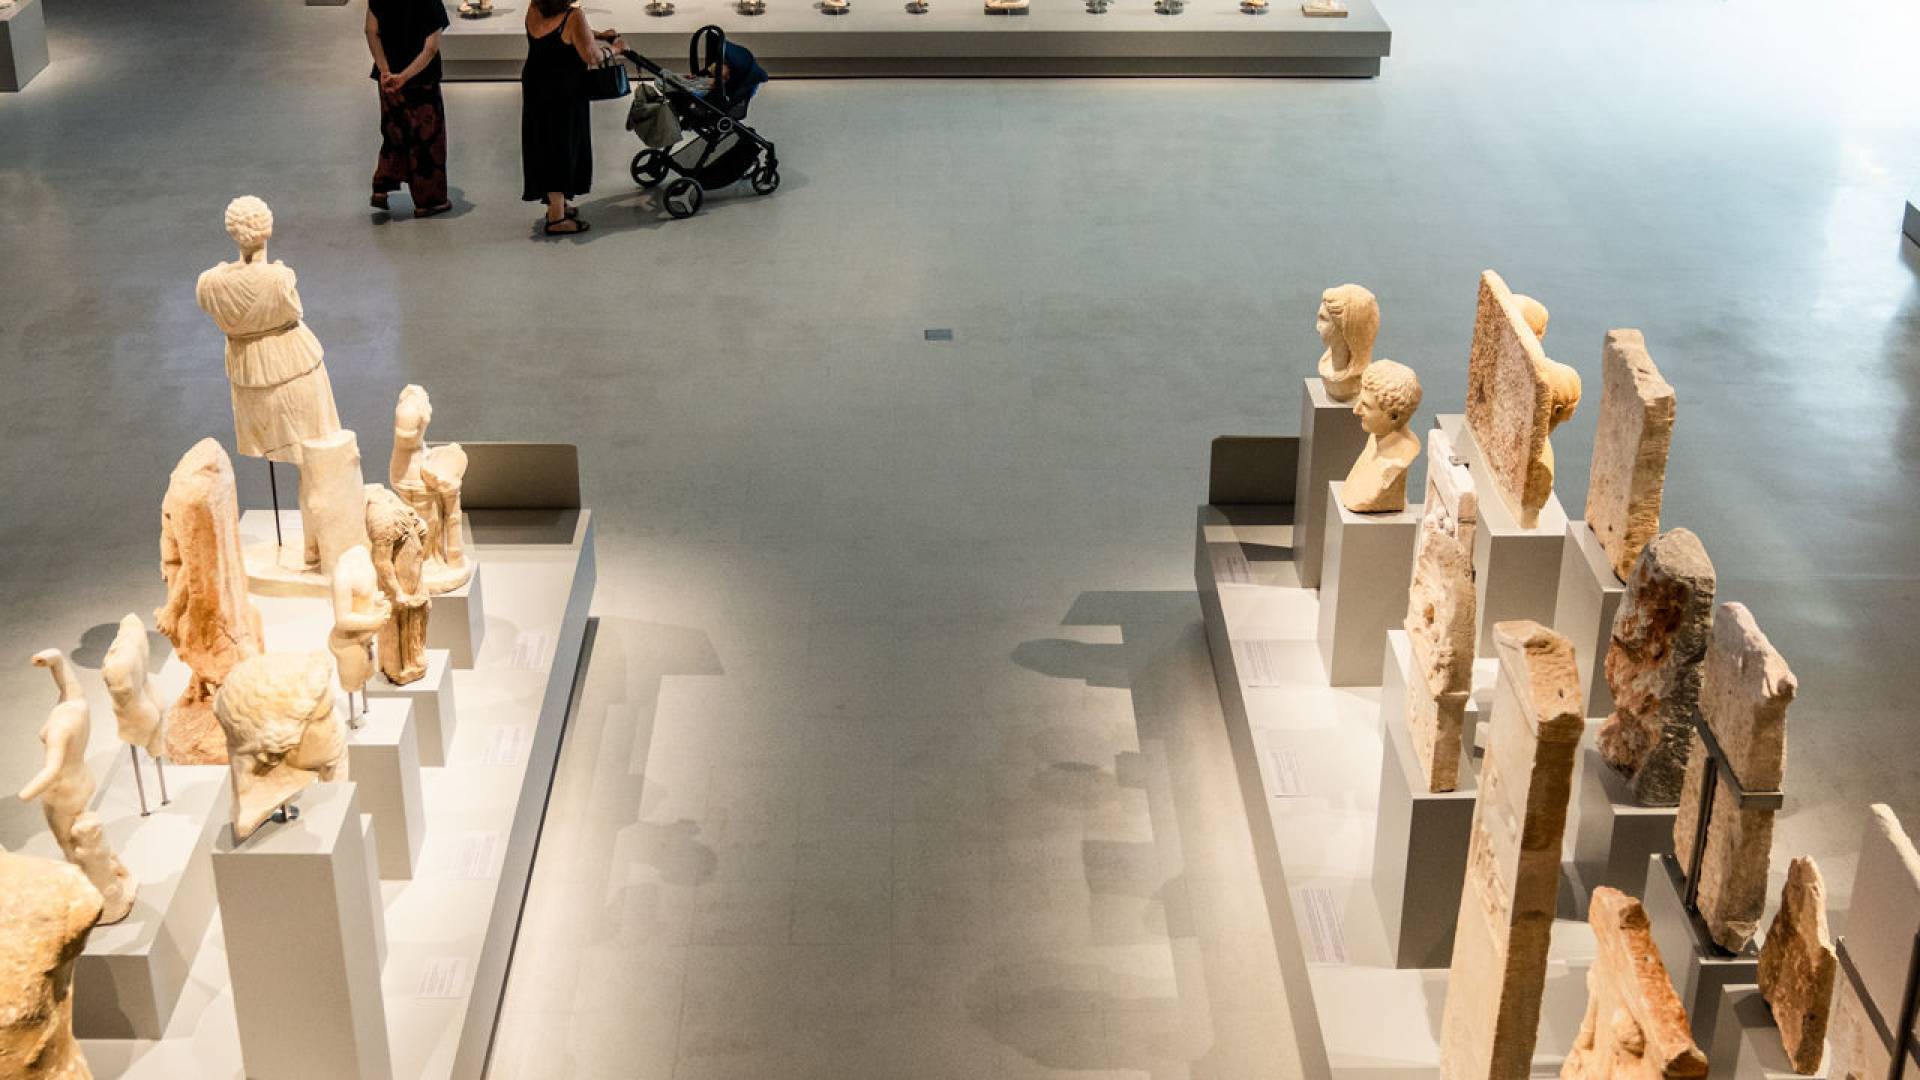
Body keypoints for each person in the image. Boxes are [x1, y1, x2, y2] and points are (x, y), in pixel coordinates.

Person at [522, 0, 622, 235]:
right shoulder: (574, 15)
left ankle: (556, 205)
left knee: (543, 142)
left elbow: (563, 30)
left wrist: (597, 34)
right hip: (564, 92)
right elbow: (592, 57)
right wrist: (617, 48)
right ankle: (557, 219)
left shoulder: (535, 6)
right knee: (563, 146)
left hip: (536, 85)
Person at [365, 0, 452, 218]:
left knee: (394, 132)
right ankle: (429, 201)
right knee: (427, 141)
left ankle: (382, 185)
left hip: (388, 79)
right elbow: (431, 47)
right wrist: (404, 77)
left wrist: (385, 70)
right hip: (421, 81)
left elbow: (370, 31)